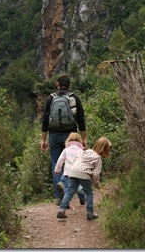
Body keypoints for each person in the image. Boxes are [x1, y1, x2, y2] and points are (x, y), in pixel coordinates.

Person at [41, 74, 87, 205]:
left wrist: (43, 140)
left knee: (56, 163)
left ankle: (58, 196)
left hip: (54, 135)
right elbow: (81, 120)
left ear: (57, 84)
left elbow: (45, 120)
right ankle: (65, 187)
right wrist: (83, 139)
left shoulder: (51, 98)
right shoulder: (74, 98)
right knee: (72, 163)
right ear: (69, 85)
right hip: (71, 136)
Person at [56, 136, 112, 221]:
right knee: (89, 193)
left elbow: (77, 159)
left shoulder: (87, 151)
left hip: (73, 171)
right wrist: (96, 184)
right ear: (104, 149)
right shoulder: (98, 158)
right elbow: (96, 174)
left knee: (70, 192)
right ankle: (90, 213)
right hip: (84, 174)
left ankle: (61, 210)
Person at [54, 132, 86, 206]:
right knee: (79, 185)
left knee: (68, 188)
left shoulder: (66, 150)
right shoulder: (81, 151)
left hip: (68, 173)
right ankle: (82, 199)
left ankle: (66, 202)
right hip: (78, 172)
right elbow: (84, 161)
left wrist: (57, 170)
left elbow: (60, 160)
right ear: (79, 141)